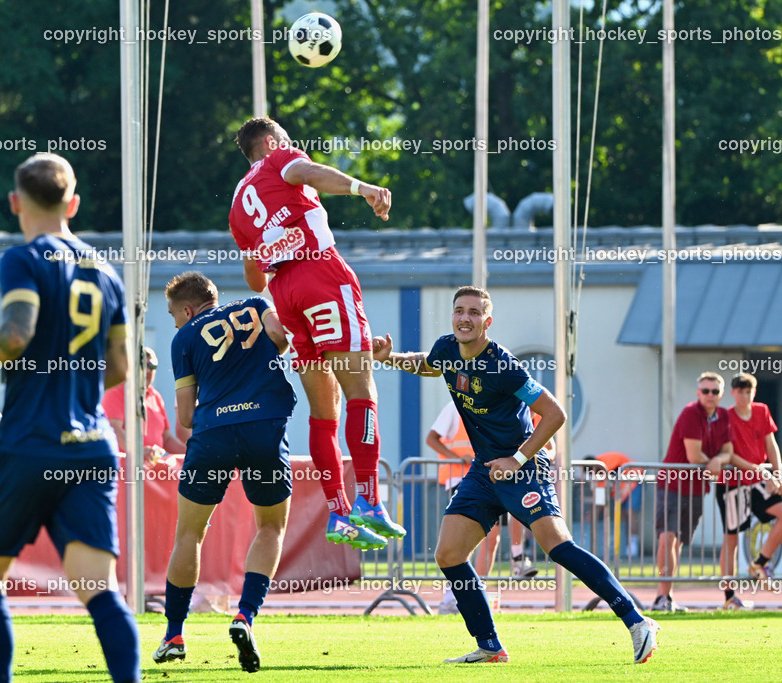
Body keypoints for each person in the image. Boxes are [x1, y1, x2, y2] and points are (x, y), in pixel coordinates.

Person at [373, 285, 659, 665]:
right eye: (459, 310)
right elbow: (428, 363)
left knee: (558, 547)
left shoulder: (503, 365)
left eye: (474, 312)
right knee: (449, 553)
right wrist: (390, 358)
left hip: (524, 467)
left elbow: (555, 413)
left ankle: (637, 621)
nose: (465, 318)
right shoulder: (447, 348)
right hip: (485, 469)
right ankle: (489, 646)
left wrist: (518, 458)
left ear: (487, 321)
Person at [0, 153, 139, 683]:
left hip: (28, 442)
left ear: (15, 202)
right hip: (91, 446)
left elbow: (17, 333)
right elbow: (121, 367)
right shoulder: (107, 271)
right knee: (101, 591)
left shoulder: (22, 259)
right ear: (74, 203)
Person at [228, 116, 403, 551]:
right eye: (287, 141)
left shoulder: (237, 205)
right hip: (320, 272)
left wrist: (274, 243)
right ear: (271, 143)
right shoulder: (280, 160)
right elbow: (308, 172)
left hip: (284, 293)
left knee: (324, 412)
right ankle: (369, 500)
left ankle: (338, 513)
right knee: (361, 391)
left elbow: (254, 279)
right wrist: (363, 188)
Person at [152, 271, 296, 673]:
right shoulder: (256, 305)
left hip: (213, 433)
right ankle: (244, 615)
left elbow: (185, 416)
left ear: (187, 310)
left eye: (173, 316)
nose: (175, 324)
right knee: (271, 527)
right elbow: (283, 338)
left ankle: (174, 635)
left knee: (189, 534)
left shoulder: (183, 338)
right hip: (264, 426)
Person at [428, 403, 538, 616]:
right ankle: (452, 598)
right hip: (462, 479)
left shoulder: (500, 403)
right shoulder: (454, 406)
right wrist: (456, 457)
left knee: (491, 538)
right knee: (462, 541)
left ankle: (477, 594)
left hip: (490, 479)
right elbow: (431, 438)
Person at [653, 372, 736, 613]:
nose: (710, 395)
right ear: (698, 393)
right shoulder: (691, 413)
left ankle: (668, 596)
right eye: (706, 391)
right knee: (667, 538)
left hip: (697, 488)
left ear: (721, 394)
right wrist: (716, 460)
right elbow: (694, 456)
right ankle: (661, 597)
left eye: (715, 391)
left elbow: (729, 451)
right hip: (672, 484)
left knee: (678, 542)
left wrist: (719, 460)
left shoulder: (724, 416)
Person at [718, 373, 782, 610]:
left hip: (757, 481)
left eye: (748, 391)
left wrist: (777, 475)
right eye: (740, 391)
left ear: (754, 391)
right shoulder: (725, 417)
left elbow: (771, 444)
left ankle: (760, 563)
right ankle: (729, 597)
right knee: (731, 539)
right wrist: (761, 471)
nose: (744, 395)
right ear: (732, 393)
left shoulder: (762, 411)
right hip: (732, 483)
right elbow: (729, 455)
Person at [102, 346, 186, 459]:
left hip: (152, 468)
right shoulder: (117, 391)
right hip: (125, 468)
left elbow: (166, 439)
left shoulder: (156, 396)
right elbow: (114, 429)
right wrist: (139, 451)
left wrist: (191, 454)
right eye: (142, 365)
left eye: (151, 366)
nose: (147, 371)